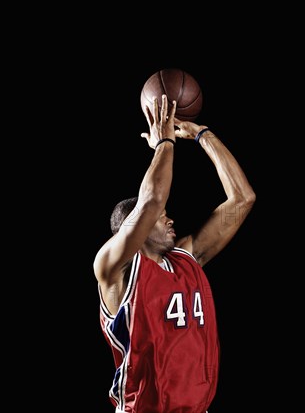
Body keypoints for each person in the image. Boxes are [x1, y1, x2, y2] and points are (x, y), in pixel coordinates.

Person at [93, 94, 256, 413]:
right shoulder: (114, 270)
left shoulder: (186, 257)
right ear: (133, 228)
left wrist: (202, 135)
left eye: (167, 212)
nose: (169, 217)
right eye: (159, 216)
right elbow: (151, 200)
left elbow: (242, 198)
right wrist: (163, 142)